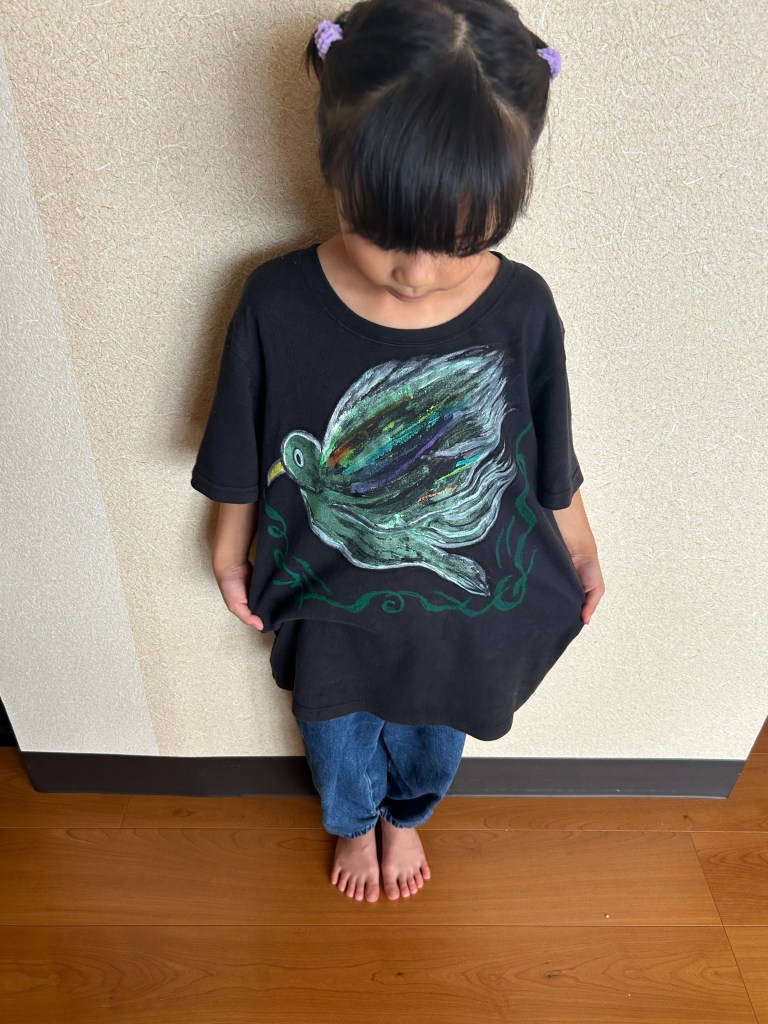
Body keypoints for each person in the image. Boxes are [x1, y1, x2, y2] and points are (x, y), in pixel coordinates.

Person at [190, 0, 605, 905]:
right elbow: (240, 442)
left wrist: (579, 542)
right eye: (385, 235)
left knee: (438, 726)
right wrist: (229, 548)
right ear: (336, 174)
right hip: (328, 599)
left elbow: (548, 443)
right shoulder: (275, 301)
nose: (417, 274)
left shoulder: (524, 308)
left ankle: (407, 813)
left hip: (461, 618)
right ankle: (352, 819)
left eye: (462, 243)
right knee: (332, 722)